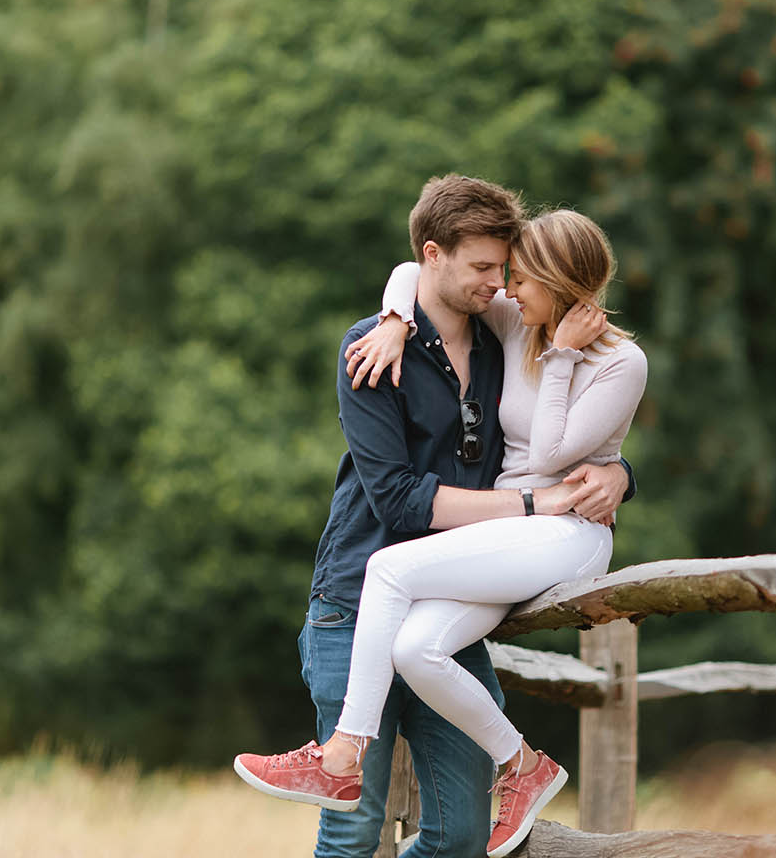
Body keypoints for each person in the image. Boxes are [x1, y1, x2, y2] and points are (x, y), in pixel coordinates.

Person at [237, 175, 637, 858]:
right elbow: (398, 498)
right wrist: (396, 321)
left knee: (457, 835)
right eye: (484, 269)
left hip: (451, 584)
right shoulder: (373, 347)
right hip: (355, 598)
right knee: (355, 825)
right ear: (434, 255)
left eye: (506, 269)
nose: (499, 283)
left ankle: (494, 765)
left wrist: (621, 475)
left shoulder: (499, 336)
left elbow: (572, 441)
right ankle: (338, 758)